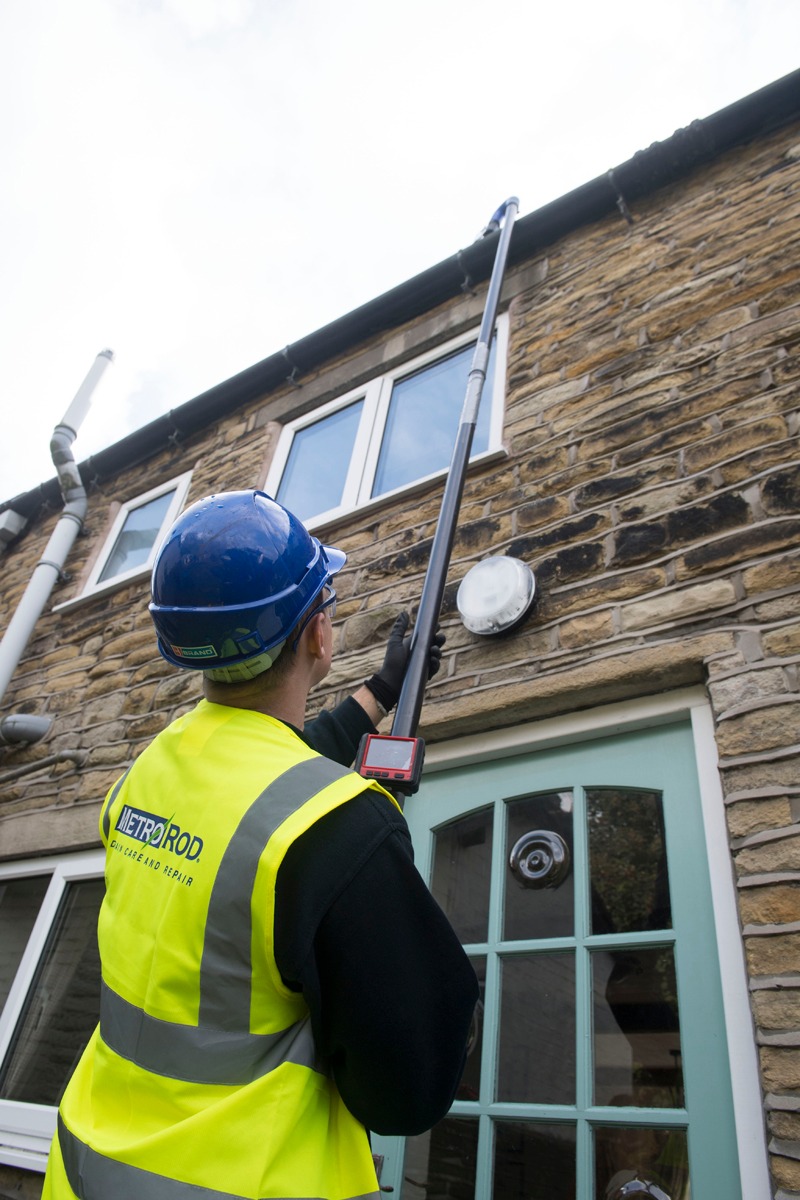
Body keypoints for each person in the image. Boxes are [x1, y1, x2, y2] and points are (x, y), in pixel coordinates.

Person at [43, 489, 478, 1200]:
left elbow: (258, 773)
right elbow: (408, 1094)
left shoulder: (149, 771)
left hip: (86, 1165)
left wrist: (382, 690)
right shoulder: (341, 828)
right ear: (319, 637)